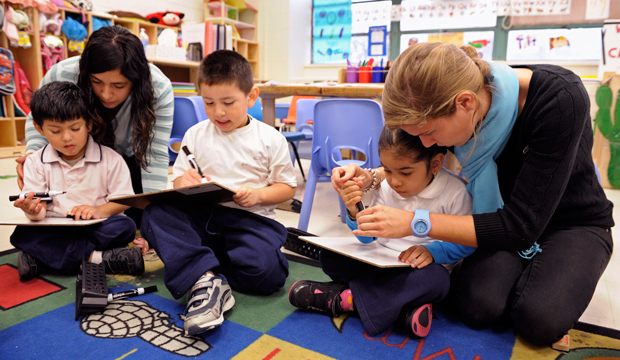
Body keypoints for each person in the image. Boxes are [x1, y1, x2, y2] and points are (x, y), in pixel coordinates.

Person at [331, 42, 614, 346]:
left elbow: (520, 227)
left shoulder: (560, 99)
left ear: (466, 103)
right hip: (497, 219)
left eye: (429, 133)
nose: (428, 144)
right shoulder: (455, 99)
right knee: (477, 307)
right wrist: (372, 176)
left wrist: (415, 222)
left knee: (538, 322)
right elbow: (415, 159)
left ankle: (543, 282)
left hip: (569, 222)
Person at [140, 50, 297, 336]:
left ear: (251, 97)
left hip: (251, 220)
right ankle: (206, 277)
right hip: (204, 215)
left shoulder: (270, 138)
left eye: (228, 102)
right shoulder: (196, 134)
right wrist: (183, 182)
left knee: (268, 276)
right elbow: (179, 182)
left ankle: (201, 266)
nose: (218, 112)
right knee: (155, 213)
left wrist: (259, 195)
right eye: (208, 102)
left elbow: (287, 188)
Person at [289, 127, 474, 337]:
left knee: (438, 282)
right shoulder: (386, 187)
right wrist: (353, 210)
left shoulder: (456, 192)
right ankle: (403, 308)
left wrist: (433, 252)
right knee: (330, 257)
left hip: (420, 271)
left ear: (435, 164)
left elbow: (466, 241)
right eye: (387, 170)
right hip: (381, 263)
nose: (395, 181)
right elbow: (368, 239)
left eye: (405, 172)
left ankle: (345, 300)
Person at [16, 25, 174, 231]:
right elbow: (39, 117)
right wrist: (34, 158)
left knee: (131, 221)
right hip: (75, 154)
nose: (106, 94)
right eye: (96, 82)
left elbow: (154, 156)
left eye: (119, 86)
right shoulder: (62, 73)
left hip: (128, 162)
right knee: (50, 221)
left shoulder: (158, 87)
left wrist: (154, 223)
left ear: (136, 80)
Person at [11, 81, 145, 282]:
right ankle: (101, 259)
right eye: (55, 131)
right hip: (56, 227)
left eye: (75, 128)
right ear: (39, 128)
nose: (67, 138)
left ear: (89, 124)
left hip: (96, 225)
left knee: (124, 225)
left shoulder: (111, 159)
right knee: (22, 234)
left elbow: (124, 201)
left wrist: (98, 211)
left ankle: (41, 259)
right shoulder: (35, 162)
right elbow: (39, 211)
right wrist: (32, 211)